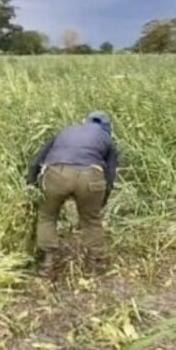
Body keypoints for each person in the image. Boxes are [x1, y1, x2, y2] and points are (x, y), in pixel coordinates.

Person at [27, 111, 118, 277]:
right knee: (91, 220)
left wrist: (31, 184)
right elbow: (110, 175)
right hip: (90, 176)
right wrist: (102, 200)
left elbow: (36, 160)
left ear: (85, 121)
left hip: (57, 173)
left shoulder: (66, 131)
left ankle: (48, 262)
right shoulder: (107, 140)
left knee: (47, 216)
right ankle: (96, 265)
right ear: (107, 128)